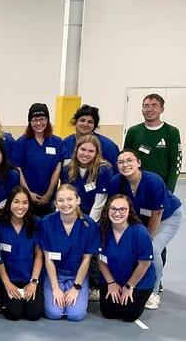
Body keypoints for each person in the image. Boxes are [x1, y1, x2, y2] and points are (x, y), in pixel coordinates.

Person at [108, 149, 182, 309]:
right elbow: (113, 207)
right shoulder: (116, 182)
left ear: (139, 163)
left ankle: (154, 292)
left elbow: (157, 213)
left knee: (151, 249)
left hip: (167, 217)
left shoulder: (153, 181)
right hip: (139, 217)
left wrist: (146, 238)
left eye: (129, 160)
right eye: (121, 162)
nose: (125, 165)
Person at [60, 134, 112, 301]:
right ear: (77, 150)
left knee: (92, 251)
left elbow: (100, 202)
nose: (86, 153)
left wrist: (87, 223)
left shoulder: (103, 170)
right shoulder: (68, 168)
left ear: (96, 153)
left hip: (92, 218)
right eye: (83, 149)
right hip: (70, 214)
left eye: (91, 151)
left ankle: (95, 286)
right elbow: (64, 193)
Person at [38, 184, 100, 321]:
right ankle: (55, 289)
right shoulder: (47, 222)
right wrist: (55, 288)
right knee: (54, 313)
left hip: (77, 274)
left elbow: (86, 260)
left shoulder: (89, 225)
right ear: (55, 203)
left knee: (75, 315)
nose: (65, 204)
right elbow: (48, 258)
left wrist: (76, 288)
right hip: (55, 273)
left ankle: (84, 289)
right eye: (60, 200)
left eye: (69, 199)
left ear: (78, 200)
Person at [98, 195, 155, 322]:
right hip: (112, 277)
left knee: (129, 315)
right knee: (108, 313)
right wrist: (111, 283)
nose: (117, 213)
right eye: (113, 209)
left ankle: (143, 296)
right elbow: (100, 259)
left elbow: (144, 264)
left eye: (122, 209)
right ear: (107, 210)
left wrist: (129, 286)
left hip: (138, 281)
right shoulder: (102, 229)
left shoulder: (140, 232)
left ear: (129, 211)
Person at [0, 186, 44, 321]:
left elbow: (39, 255)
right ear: (9, 203)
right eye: (16, 202)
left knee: (34, 314)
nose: (20, 206)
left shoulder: (36, 223)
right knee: (13, 313)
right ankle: (1, 297)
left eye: (25, 202)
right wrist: (7, 284)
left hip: (30, 278)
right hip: (8, 279)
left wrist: (34, 282)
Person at [12, 103, 66, 216]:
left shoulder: (57, 142)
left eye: (42, 119)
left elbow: (57, 168)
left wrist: (49, 193)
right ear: (29, 122)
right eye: (34, 120)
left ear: (47, 120)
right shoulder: (21, 143)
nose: (38, 123)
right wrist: (28, 193)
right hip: (27, 199)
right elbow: (18, 169)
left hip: (49, 200)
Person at [124, 94, 182, 192]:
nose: (149, 109)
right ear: (142, 109)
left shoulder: (172, 132)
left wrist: (169, 189)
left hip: (161, 185)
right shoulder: (133, 132)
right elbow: (126, 159)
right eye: (146, 106)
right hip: (136, 184)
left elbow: (176, 163)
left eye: (154, 105)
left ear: (162, 109)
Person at [63, 105, 119, 173]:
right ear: (75, 122)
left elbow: (116, 172)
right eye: (82, 120)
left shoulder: (108, 146)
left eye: (90, 122)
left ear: (94, 126)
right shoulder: (65, 143)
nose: (85, 124)